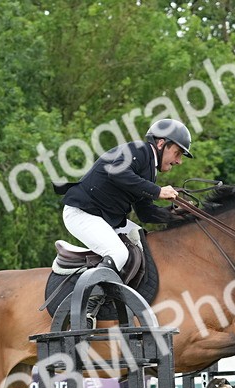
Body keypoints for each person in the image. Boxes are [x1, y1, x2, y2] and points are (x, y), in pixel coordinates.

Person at [58, 118, 190, 279]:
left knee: (146, 246)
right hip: (83, 213)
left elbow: (145, 213)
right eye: (177, 153)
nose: (179, 161)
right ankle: (90, 301)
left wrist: (176, 214)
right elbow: (117, 173)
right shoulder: (139, 150)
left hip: (105, 218)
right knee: (119, 254)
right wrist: (157, 191)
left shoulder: (149, 170)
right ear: (161, 144)